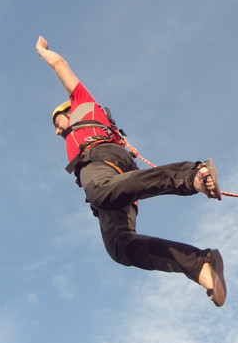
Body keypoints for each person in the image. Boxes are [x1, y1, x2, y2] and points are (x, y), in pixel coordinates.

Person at [35, 36, 226, 306]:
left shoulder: (81, 101)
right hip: (112, 182)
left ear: (70, 108)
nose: (57, 130)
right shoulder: (74, 137)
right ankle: (200, 265)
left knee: (99, 192)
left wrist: (42, 52)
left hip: (102, 159)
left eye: (58, 120)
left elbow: (60, 64)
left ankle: (193, 174)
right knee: (119, 247)